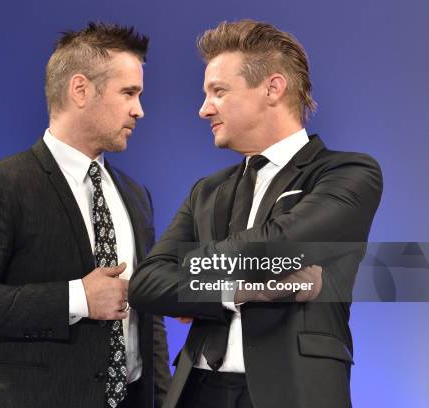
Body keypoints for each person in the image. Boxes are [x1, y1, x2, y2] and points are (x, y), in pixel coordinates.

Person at [129, 20, 382, 408]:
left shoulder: (348, 173)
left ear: (273, 88)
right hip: (195, 392)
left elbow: (277, 246)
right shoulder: (206, 190)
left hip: (293, 392)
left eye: (218, 91)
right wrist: (236, 291)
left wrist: (187, 270)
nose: (203, 109)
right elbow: (146, 284)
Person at [0, 22, 170, 408]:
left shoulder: (135, 194)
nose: (139, 110)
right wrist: (77, 297)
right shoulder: (0, 185)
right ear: (80, 90)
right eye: (129, 93)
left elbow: (149, 318)